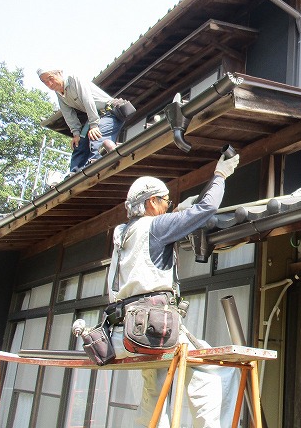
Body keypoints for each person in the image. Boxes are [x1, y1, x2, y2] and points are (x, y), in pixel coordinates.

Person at [106, 152, 240, 428]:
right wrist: (220, 175)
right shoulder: (155, 226)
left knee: (154, 388)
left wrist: (177, 214)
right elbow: (207, 209)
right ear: (151, 202)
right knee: (211, 375)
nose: (169, 206)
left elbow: (152, 241)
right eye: (166, 201)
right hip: (156, 328)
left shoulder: (122, 233)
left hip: (127, 329)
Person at [37, 68, 133, 172]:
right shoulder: (59, 93)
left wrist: (94, 125)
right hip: (96, 116)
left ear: (59, 73)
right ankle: (75, 175)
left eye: (50, 78)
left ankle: (98, 166)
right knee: (79, 144)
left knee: (96, 138)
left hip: (110, 112)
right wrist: (76, 134)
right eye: (45, 82)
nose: (49, 84)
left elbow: (88, 101)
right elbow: (68, 114)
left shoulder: (74, 80)